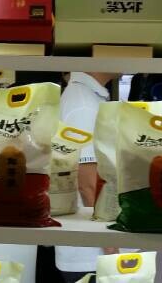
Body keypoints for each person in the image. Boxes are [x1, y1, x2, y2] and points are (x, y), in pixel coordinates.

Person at [53, 72, 120, 282]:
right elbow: (87, 182)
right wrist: (110, 245)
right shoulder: (84, 105)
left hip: (92, 251)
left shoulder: (86, 97)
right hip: (94, 256)